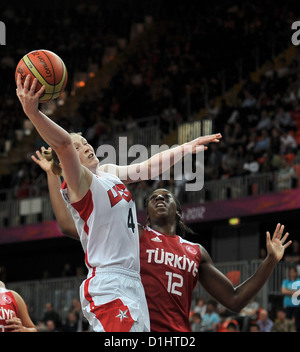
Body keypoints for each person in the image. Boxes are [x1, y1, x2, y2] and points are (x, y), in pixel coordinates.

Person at [17, 73, 221, 332]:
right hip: (108, 283)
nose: (87, 146)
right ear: (69, 162)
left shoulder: (109, 172)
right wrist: (33, 112)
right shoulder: (80, 184)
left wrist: (185, 147)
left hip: (133, 282)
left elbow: (147, 168)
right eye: (80, 147)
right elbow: (64, 143)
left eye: (86, 142)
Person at [281, 265, 300, 331]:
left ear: (296, 273)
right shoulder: (286, 281)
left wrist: (288, 291)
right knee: (287, 322)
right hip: (288, 305)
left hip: (297, 306)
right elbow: (283, 291)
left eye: (293, 272)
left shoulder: (299, 281)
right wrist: (295, 292)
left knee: (297, 323)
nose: (292, 273)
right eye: (291, 272)